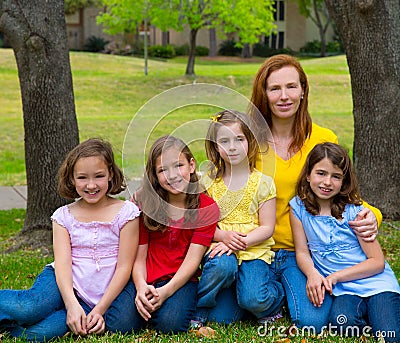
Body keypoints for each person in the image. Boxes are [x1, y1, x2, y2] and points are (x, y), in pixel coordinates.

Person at [247, 54, 383, 331]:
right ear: (264, 93)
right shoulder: (247, 142)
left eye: (291, 87)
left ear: (303, 91)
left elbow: (345, 194)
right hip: (256, 249)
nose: (284, 96)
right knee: (233, 309)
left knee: (312, 320)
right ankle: (264, 292)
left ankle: (285, 289)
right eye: (275, 88)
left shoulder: (324, 139)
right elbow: (219, 188)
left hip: (303, 253)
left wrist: (374, 216)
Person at [0, 138, 140, 342]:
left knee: (40, 334)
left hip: (98, 297)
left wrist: (100, 309)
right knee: (30, 308)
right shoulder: (63, 216)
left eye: (99, 176)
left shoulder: (126, 213)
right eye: (82, 177)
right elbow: (63, 265)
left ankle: (11, 325)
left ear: (110, 174)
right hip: (63, 283)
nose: (91, 185)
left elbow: (124, 267)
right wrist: (71, 303)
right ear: (72, 179)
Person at [289, 142, 400, 341]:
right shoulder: (298, 208)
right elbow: (302, 252)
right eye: (321, 173)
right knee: (341, 324)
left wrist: (336, 276)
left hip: (376, 284)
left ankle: (382, 312)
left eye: (336, 176)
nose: (327, 182)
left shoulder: (354, 211)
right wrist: (312, 273)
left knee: (390, 335)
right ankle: (372, 317)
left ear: (344, 180)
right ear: (308, 174)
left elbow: (377, 262)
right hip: (345, 291)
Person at [191, 110, 285, 330]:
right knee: (222, 273)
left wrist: (240, 241)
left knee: (253, 299)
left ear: (250, 142)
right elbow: (201, 224)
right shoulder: (209, 182)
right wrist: (223, 237)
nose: (232, 147)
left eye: (239, 139)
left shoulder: (263, 182)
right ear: (215, 146)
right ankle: (200, 308)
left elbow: (267, 227)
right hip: (220, 247)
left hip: (253, 249)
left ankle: (275, 297)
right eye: (224, 141)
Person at [130, 135, 219, 333]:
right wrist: (141, 287)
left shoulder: (206, 208)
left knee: (169, 325)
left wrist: (166, 291)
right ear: (154, 175)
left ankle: (165, 307)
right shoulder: (145, 204)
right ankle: (146, 304)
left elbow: (193, 261)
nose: (172, 175)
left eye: (178, 165)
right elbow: (139, 257)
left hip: (181, 279)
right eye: (162, 170)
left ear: (192, 165)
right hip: (145, 276)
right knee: (121, 323)